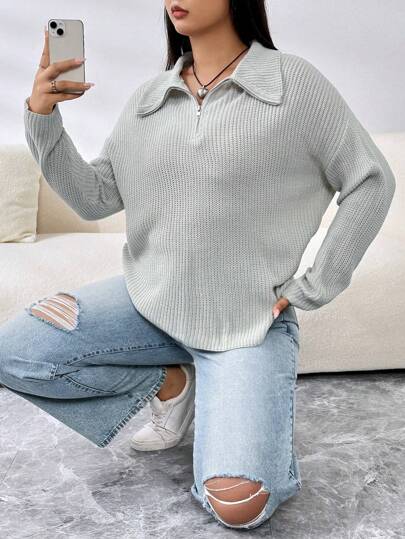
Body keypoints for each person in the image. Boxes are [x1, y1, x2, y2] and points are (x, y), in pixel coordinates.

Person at [0, 0, 396, 530]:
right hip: (148, 303)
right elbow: (95, 199)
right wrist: (43, 117)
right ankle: (170, 385)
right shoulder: (150, 97)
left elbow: (371, 180)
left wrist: (314, 286)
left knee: (239, 505)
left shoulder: (293, 83)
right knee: (15, 354)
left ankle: (226, 403)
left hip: (246, 325)